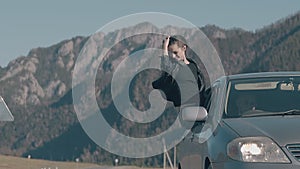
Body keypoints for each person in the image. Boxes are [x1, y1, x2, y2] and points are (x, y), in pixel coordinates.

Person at [152, 35, 205, 107]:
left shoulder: (194, 67)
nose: (173, 56)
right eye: (170, 53)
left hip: (197, 109)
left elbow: (201, 87)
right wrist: (164, 50)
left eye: (175, 52)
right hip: (184, 110)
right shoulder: (175, 68)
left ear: (184, 48)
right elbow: (166, 69)